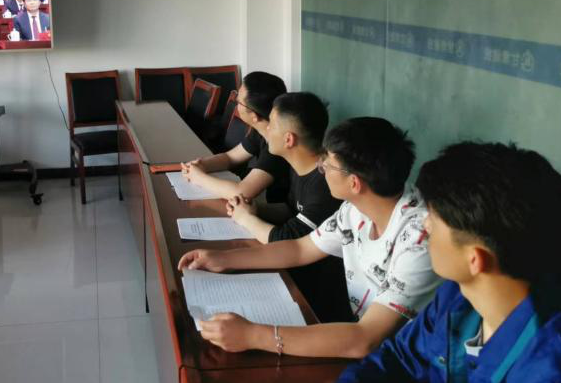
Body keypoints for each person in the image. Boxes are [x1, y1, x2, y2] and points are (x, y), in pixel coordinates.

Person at [323, 142, 561, 383]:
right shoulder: (457, 297)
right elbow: (401, 358)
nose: (425, 225)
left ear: (475, 260)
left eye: (434, 220)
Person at [178, 117, 441, 359]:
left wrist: (252, 336)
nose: (320, 167)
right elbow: (299, 249)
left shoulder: (419, 241)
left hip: (405, 361)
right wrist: (223, 259)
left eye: (328, 164)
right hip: (362, 338)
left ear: (354, 183)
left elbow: (365, 339)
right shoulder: (356, 207)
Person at [227, 92, 349, 322]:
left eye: (272, 125)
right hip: (300, 270)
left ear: (289, 140)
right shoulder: (299, 166)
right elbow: (293, 211)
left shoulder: (325, 183)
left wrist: (246, 219)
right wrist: (255, 209)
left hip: (319, 295)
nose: (266, 128)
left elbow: (286, 240)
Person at [181, 71, 290, 204]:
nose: (236, 105)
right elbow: (230, 158)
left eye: (239, 102)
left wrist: (198, 177)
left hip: (280, 212)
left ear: (254, 116)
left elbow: (242, 192)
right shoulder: (261, 129)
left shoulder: (278, 145)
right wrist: (201, 165)